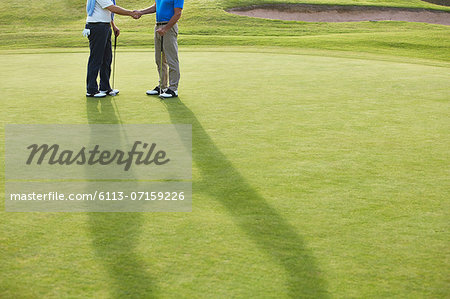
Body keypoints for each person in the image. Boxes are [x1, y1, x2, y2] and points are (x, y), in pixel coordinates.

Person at [84, 0, 141, 98]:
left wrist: (113, 26)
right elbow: (112, 8)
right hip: (97, 27)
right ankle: (91, 90)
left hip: (105, 26)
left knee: (107, 59)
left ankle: (105, 87)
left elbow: (108, 12)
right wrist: (131, 13)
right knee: (96, 59)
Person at [135, 0, 184, 98]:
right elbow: (155, 7)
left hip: (169, 27)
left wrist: (165, 28)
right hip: (158, 26)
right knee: (159, 59)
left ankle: (173, 89)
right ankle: (163, 86)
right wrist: (141, 12)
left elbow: (178, 13)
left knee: (171, 59)